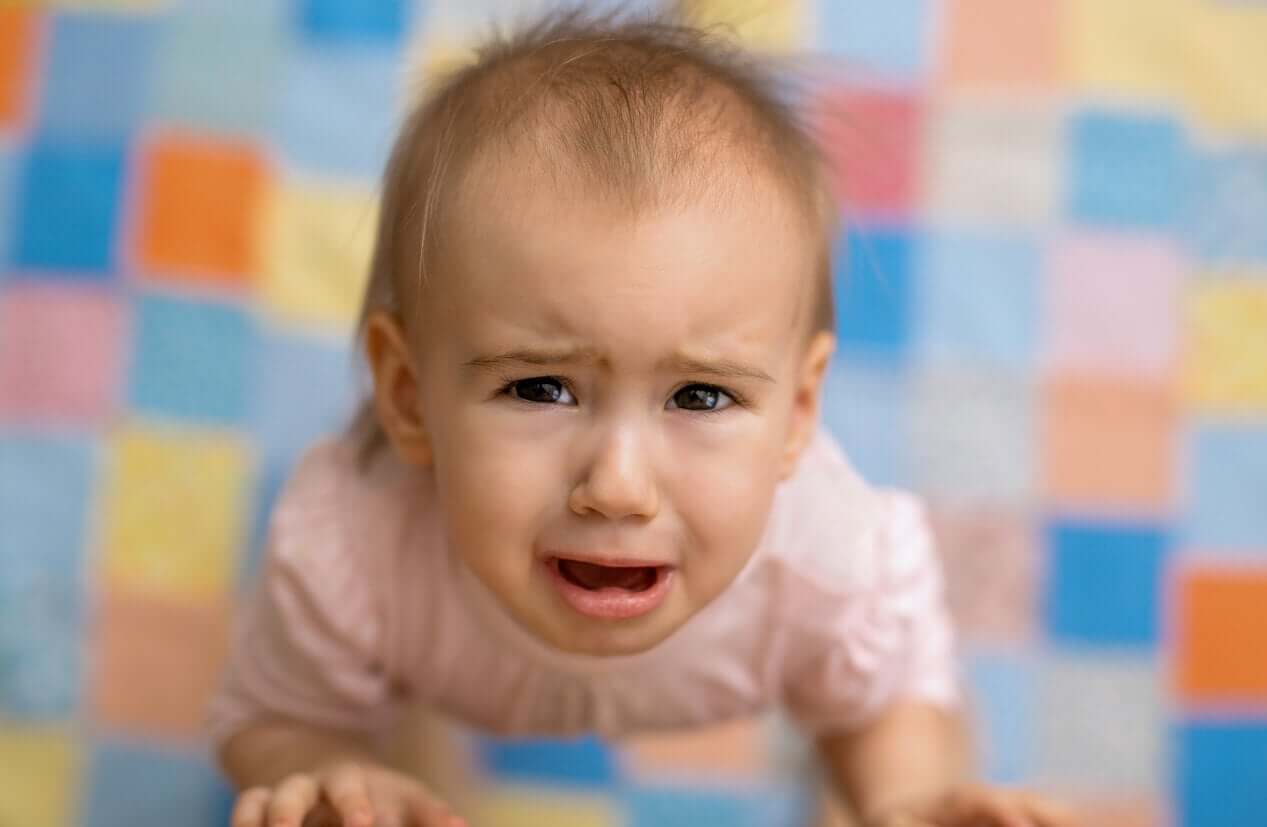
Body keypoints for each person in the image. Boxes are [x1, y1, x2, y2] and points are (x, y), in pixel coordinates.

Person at [209, 8, 1073, 827]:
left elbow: (891, 698)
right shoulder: (351, 551)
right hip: (429, 643)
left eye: (700, 395)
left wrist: (912, 797)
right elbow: (274, 715)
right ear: (405, 398)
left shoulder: (827, 560)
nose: (617, 487)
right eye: (540, 387)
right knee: (381, 788)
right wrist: (316, 766)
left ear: (799, 411)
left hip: (804, 650)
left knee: (897, 774)